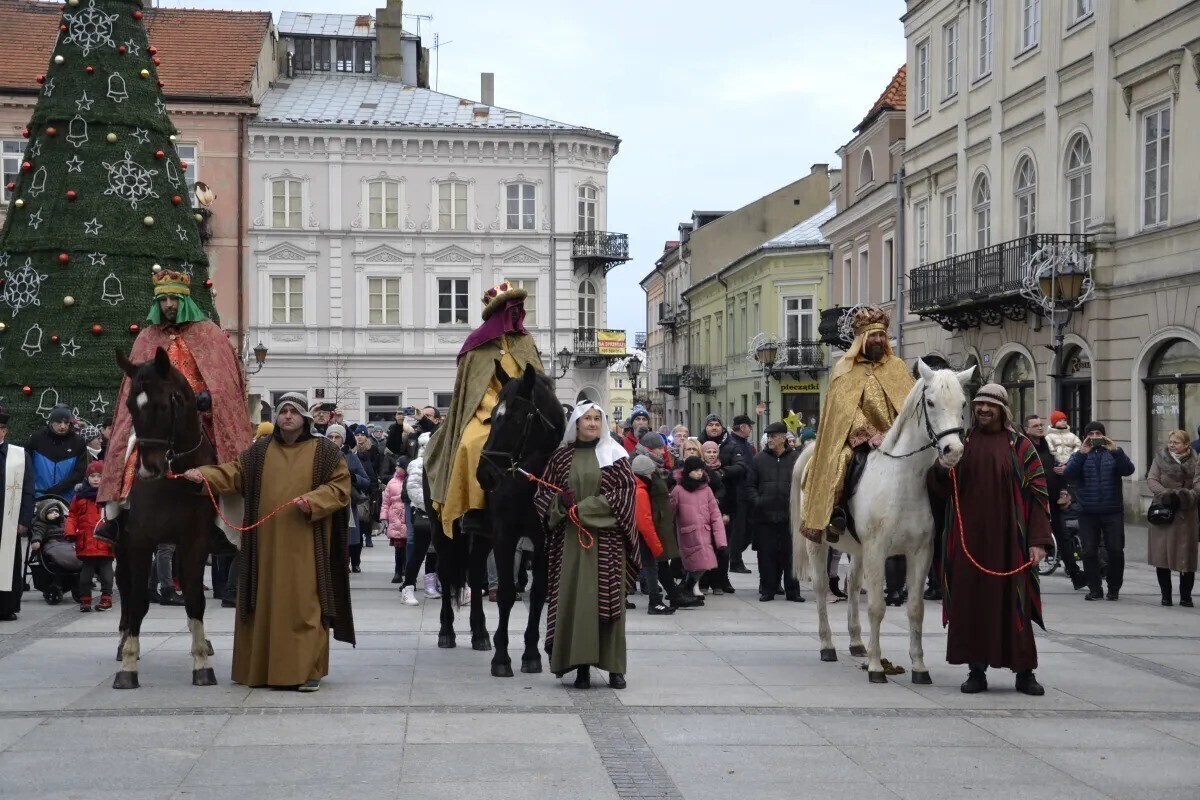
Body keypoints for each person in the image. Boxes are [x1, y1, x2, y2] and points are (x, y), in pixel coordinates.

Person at [181, 393, 354, 692]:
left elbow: (340, 487)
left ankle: (308, 671)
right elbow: (233, 473)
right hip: (263, 545)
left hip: (306, 543)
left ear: (305, 418)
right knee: (262, 602)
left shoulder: (324, 451)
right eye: (283, 411)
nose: (287, 416)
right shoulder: (259, 451)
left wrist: (313, 501)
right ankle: (260, 669)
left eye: (294, 411)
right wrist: (204, 476)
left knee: (305, 604)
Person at [97, 270, 253, 545]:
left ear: (186, 301)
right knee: (129, 449)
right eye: (164, 299)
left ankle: (227, 524)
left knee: (227, 456)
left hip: (201, 417)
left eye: (174, 298)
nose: (169, 304)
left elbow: (225, 383)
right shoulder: (147, 337)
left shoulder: (210, 335)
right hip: (156, 418)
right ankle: (114, 517)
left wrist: (209, 397)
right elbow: (133, 385)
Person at [928, 384, 1052, 696]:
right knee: (971, 605)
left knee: (1016, 605)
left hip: (1011, 541)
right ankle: (976, 671)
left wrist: (1038, 540)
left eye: (990, 405)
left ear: (1003, 410)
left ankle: (1024, 673)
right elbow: (939, 489)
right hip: (968, 540)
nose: (983, 410)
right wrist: (941, 469)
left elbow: (1038, 495)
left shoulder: (1020, 446)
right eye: (979, 404)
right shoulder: (962, 443)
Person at [424, 282, 544, 539]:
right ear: (499, 312)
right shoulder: (477, 344)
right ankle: (474, 510)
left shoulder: (526, 341)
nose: (516, 313)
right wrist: (501, 407)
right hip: (489, 411)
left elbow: (537, 379)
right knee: (473, 443)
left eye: (518, 308)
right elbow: (477, 389)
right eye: (511, 309)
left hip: (526, 410)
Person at [533, 403, 640, 689]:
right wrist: (559, 503)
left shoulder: (616, 456)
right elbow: (543, 494)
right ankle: (580, 666)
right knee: (575, 601)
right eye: (586, 419)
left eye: (597, 419)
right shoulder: (560, 458)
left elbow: (625, 495)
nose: (592, 423)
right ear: (576, 423)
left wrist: (583, 508)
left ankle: (615, 668)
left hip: (607, 543)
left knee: (609, 602)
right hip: (569, 543)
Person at [800, 306, 914, 545]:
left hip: (896, 438)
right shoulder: (845, 368)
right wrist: (870, 434)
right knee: (842, 461)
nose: (878, 340)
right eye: (873, 335)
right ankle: (835, 514)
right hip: (859, 440)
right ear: (862, 338)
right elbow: (845, 409)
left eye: (882, 335)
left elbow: (909, 404)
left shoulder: (897, 367)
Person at [1064, 421, 1135, 601]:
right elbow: (1069, 474)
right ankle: (1095, 588)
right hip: (1087, 511)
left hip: (1112, 510)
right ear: (1085, 436)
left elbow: (1128, 470)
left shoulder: (1113, 454)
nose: (1095, 437)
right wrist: (1082, 453)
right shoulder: (1078, 455)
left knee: (1115, 550)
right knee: (1089, 551)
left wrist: (1116, 451)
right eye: (1091, 434)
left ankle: (1114, 587)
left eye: (1098, 433)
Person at [1024, 414, 1085, 590]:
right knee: (1032, 540)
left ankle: (1075, 575)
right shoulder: (1025, 448)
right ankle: (1028, 576)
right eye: (1034, 426)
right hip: (1034, 503)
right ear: (1027, 429)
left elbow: (1057, 470)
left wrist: (1065, 492)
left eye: (1040, 425)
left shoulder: (1046, 447)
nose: (1039, 428)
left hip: (1053, 499)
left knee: (1064, 536)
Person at [747, 421, 804, 602]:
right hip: (765, 516)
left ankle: (793, 591)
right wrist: (758, 501)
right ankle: (767, 590)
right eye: (768, 436)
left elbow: (805, 484)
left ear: (783, 437)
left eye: (773, 436)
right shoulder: (759, 459)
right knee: (766, 555)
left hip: (790, 516)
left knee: (791, 555)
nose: (769, 439)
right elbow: (749, 485)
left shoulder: (796, 458)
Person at [1145, 429, 1199, 607]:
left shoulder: (1196, 460)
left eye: (1176, 442)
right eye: (1170, 441)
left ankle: (1186, 596)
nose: (1172, 445)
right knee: (1163, 555)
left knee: (1186, 556)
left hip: (1187, 513)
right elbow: (1152, 480)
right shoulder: (1160, 458)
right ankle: (1166, 595)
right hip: (1164, 512)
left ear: (1186, 444)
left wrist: (1185, 497)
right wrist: (1167, 495)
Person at [671, 456, 728, 599]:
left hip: (704, 533)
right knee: (692, 564)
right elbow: (671, 512)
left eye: (701, 470)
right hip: (687, 534)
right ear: (688, 471)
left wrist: (720, 539)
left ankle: (686, 587)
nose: (699, 473)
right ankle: (687, 588)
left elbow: (715, 514)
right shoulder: (678, 490)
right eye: (696, 470)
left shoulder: (706, 489)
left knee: (705, 563)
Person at [0, 408, 35, 622]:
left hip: (8, 519)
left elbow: (28, 489)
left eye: (2, 428)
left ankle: (6, 607)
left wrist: (24, 519)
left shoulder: (19, 455)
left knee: (7, 564)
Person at [400, 432, 441, 605]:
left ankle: (432, 585)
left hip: (441, 513)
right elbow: (414, 490)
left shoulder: (443, 462)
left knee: (437, 551)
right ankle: (408, 587)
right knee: (418, 552)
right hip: (425, 513)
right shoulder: (417, 464)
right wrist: (432, 507)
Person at [66, 462, 113, 612]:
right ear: (87, 478)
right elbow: (72, 515)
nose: (96, 479)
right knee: (85, 576)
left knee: (106, 574)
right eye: (93, 476)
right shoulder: (79, 497)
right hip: (86, 542)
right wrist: (70, 532)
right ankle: (85, 598)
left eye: (100, 476)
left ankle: (106, 597)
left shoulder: (110, 496)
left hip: (106, 542)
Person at [325, 424, 372, 573]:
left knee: (349, 538)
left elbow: (366, 481)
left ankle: (351, 562)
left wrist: (353, 477)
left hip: (346, 505)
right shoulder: (320, 456)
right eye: (330, 436)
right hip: (325, 503)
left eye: (337, 437)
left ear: (343, 439)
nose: (333, 440)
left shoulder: (350, 457)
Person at [631, 455, 672, 615]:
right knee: (651, 566)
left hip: (634, 535)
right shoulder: (641, 491)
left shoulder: (632, 485)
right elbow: (645, 522)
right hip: (642, 537)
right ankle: (655, 601)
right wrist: (656, 546)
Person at [27, 405, 87, 503]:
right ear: (51, 422)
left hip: (67, 498)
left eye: (66, 422)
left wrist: (59, 488)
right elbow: (26, 466)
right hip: (38, 496)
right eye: (58, 422)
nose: (63, 426)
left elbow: (80, 472)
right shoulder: (36, 438)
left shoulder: (78, 442)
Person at [720, 415, 757, 574]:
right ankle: (734, 560)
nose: (751, 429)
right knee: (739, 530)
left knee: (747, 530)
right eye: (749, 426)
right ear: (743, 427)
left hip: (746, 492)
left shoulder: (744, 444)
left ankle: (734, 556)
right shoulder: (733, 445)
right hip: (738, 493)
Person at [699, 440, 736, 594]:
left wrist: (725, 511)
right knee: (705, 549)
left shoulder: (724, 470)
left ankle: (718, 583)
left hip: (720, 514)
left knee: (721, 550)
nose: (712, 455)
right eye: (708, 452)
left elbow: (727, 492)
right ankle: (704, 582)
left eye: (714, 452)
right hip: (703, 515)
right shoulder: (700, 469)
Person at [381, 462, 409, 584]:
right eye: (396, 466)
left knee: (408, 546)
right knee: (399, 547)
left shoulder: (411, 481)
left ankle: (406, 569)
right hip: (396, 519)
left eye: (400, 466)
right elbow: (386, 502)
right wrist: (384, 517)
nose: (397, 468)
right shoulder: (392, 483)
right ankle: (398, 571)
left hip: (407, 516)